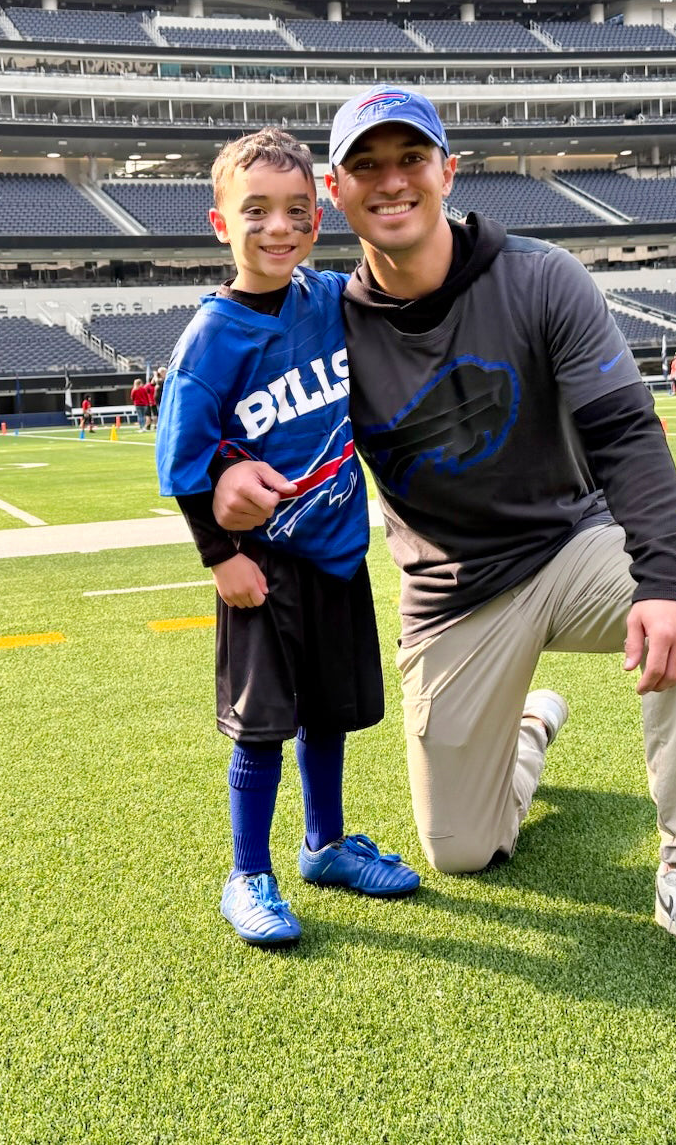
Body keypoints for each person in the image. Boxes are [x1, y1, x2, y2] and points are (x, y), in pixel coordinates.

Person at [213, 86, 676, 982]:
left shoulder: (541, 277)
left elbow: (627, 430)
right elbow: (231, 413)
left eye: (409, 160)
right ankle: (527, 732)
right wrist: (224, 484)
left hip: (571, 548)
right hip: (452, 597)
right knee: (460, 850)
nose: (391, 182)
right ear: (335, 192)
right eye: (367, 166)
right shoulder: (323, 322)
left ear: (447, 171)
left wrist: (663, 579)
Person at [156, 126, 419, 949]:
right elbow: (181, 461)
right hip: (263, 567)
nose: (279, 227)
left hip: (337, 551)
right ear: (219, 222)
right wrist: (221, 554)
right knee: (262, 723)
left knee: (330, 713)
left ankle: (327, 844)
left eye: (297, 210)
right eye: (257, 211)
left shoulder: (327, 297)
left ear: (319, 215)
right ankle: (247, 872)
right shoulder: (210, 338)